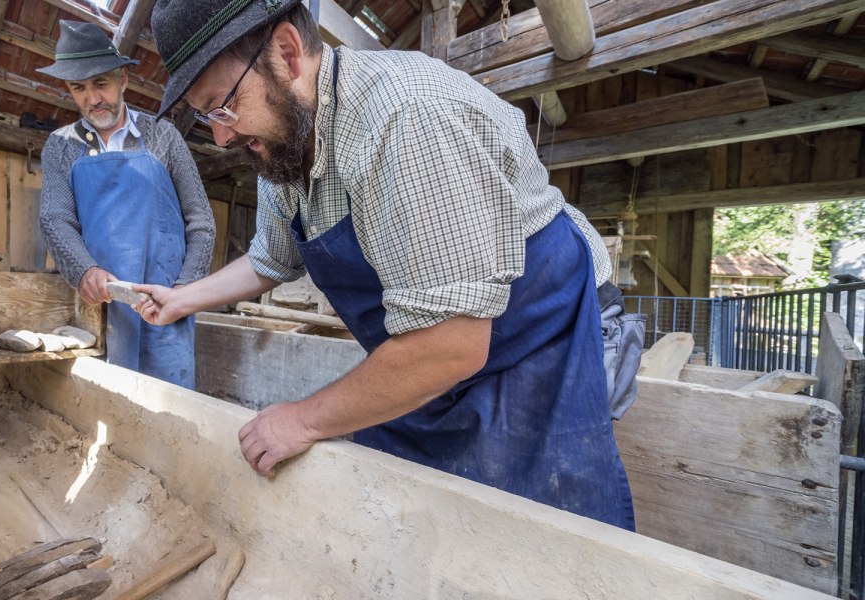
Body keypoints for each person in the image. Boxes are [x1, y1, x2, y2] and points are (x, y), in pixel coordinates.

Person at [133, 0, 635, 530]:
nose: (221, 136)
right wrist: (182, 298)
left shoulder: (402, 118)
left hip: (539, 333)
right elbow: (270, 260)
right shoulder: (283, 141)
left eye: (223, 106)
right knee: (397, 511)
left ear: (286, 52)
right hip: (438, 344)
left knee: (528, 531)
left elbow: (451, 345)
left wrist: (302, 420)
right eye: (207, 116)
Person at [38, 21, 215, 389]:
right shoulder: (61, 144)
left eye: (101, 83)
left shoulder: (163, 136)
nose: (92, 98)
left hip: (164, 303)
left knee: (170, 405)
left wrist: (185, 289)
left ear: (123, 80)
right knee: (107, 406)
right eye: (79, 88)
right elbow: (55, 219)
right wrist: (84, 270)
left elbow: (201, 221)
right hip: (100, 305)